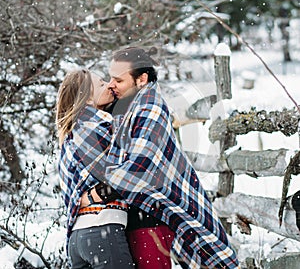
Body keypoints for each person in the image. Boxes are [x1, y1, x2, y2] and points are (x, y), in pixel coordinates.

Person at [90, 47, 240, 268]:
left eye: (118, 80)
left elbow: (139, 168)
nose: (111, 84)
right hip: (141, 217)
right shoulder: (129, 108)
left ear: (141, 79)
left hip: (152, 219)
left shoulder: (150, 109)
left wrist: (96, 194)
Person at [56, 69, 135, 269]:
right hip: (102, 230)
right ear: (87, 97)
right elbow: (129, 172)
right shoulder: (94, 125)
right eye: (101, 84)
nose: (109, 85)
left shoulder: (74, 131)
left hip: (78, 238)